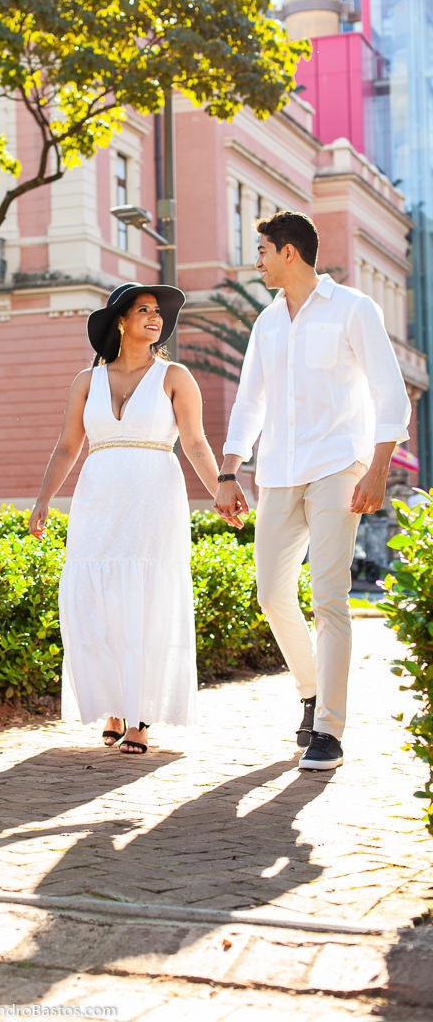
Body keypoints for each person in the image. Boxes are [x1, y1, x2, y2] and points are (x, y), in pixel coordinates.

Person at [214, 211, 411, 772]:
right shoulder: (267, 324)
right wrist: (229, 472)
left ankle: (329, 727)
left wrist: (377, 468)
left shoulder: (353, 309)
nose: (257, 260)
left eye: (262, 250)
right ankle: (310, 689)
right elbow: (250, 401)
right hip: (277, 470)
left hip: (336, 466)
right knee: (272, 593)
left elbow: (388, 391)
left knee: (329, 597)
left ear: (289, 253)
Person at [29, 281, 233, 755]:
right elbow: (66, 446)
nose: (154, 318)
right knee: (99, 604)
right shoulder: (87, 380)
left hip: (153, 500)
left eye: (158, 312)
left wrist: (222, 487)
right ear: (120, 321)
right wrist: (43, 499)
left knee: (146, 600)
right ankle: (114, 705)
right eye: (143, 310)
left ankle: (140, 718)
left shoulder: (175, 376)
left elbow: (196, 443)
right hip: (97, 499)